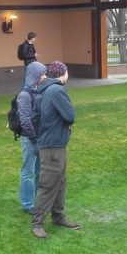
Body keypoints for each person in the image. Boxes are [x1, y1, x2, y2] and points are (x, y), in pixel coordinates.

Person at [31, 61, 79, 238]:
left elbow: (34, 118)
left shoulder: (43, 89)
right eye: (67, 72)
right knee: (49, 184)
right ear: (63, 73)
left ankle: (58, 217)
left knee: (60, 181)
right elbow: (70, 115)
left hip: (51, 144)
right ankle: (37, 223)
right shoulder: (57, 90)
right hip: (53, 146)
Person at [16, 61, 47, 215]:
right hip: (29, 139)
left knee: (39, 171)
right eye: (42, 74)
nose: (45, 76)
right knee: (28, 171)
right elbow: (25, 120)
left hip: (39, 137)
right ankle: (27, 204)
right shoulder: (24, 95)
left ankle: (38, 201)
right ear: (35, 75)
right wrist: (34, 139)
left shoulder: (37, 91)